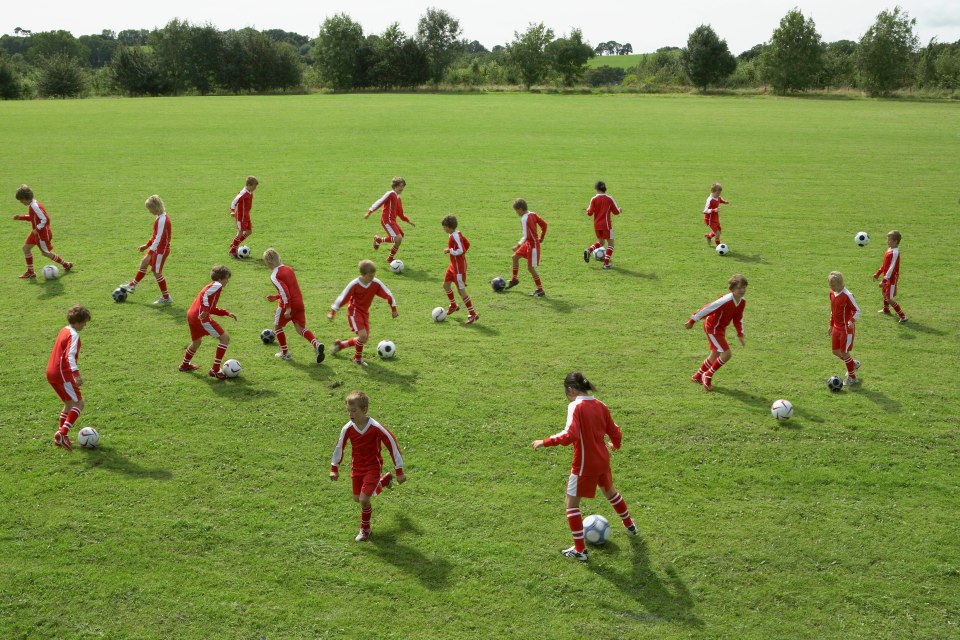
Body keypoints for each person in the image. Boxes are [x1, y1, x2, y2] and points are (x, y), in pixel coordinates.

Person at [531, 372, 637, 562]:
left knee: (571, 504)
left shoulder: (576, 406)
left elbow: (569, 435)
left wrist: (544, 441)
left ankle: (580, 550)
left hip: (584, 463)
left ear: (571, 389)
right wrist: (616, 444)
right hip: (603, 460)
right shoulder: (601, 405)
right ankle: (630, 524)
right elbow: (614, 430)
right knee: (610, 492)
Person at [330, 390, 406, 542]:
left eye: (354, 411)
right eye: (348, 411)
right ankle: (383, 482)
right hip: (356, 468)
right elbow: (339, 447)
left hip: (373, 467)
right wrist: (334, 468)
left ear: (364, 410)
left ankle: (365, 529)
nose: (350, 414)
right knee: (357, 499)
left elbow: (392, 444)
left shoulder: (376, 427)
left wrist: (399, 471)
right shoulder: (348, 428)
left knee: (364, 500)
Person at [328, 260, 398, 367]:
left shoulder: (375, 283)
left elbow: (387, 293)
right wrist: (333, 311)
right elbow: (343, 297)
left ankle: (341, 345)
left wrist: (393, 309)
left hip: (364, 313)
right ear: (363, 274)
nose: (372, 277)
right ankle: (357, 358)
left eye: (374, 275)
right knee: (363, 335)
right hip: (354, 311)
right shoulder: (354, 284)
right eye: (370, 276)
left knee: (363, 339)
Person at [685, 274, 748, 392]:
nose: (742, 290)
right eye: (740, 288)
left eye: (744, 287)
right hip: (712, 328)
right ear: (732, 289)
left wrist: (740, 333)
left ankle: (698, 376)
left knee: (715, 354)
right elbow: (708, 308)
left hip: (720, 328)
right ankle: (707, 375)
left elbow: (738, 318)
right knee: (726, 354)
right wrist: (692, 320)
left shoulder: (742, 302)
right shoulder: (725, 300)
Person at [263, 248, 325, 363]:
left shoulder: (274, 275)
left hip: (287, 305)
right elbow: (290, 288)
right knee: (300, 328)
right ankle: (316, 344)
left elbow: (285, 291)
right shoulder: (288, 268)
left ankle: (285, 353)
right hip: (299, 302)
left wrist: (288, 308)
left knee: (277, 326)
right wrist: (276, 297)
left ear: (269, 263)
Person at [180, 265, 237, 379]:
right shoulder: (217, 285)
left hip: (192, 315)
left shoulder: (213, 287)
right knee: (225, 338)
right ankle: (215, 370)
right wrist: (205, 310)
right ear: (220, 279)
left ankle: (185, 365)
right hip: (200, 317)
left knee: (196, 342)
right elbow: (204, 295)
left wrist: (226, 313)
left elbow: (212, 308)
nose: (227, 281)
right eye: (226, 279)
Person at [47, 305, 91, 450]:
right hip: (63, 374)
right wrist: (76, 375)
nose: (85, 325)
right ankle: (62, 433)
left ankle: (61, 438)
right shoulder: (74, 335)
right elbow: (70, 356)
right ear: (79, 322)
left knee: (68, 402)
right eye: (84, 322)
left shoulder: (64, 330)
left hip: (51, 372)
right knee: (79, 403)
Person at [12, 184, 73, 279]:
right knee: (26, 248)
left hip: (42, 234)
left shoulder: (35, 206)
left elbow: (45, 218)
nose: (21, 202)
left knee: (46, 253)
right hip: (36, 233)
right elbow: (34, 218)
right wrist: (21, 217)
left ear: (25, 198)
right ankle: (30, 272)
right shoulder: (32, 204)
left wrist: (38, 228)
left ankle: (66, 264)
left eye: (21, 200)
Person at [121, 195, 172, 305]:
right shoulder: (159, 217)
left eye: (150, 209)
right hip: (157, 248)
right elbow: (155, 235)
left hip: (161, 251)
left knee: (156, 272)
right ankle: (132, 285)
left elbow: (158, 239)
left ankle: (166, 297)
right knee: (143, 263)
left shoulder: (163, 220)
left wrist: (150, 252)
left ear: (156, 208)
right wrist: (146, 245)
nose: (149, 212)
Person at [366, 177, 414, 266]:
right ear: (395, 186)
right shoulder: (390, 194)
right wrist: (370, 211)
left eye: (403, 186)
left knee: (401, 236)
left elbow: (400, 213)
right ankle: (379, 240)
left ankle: (389, 257)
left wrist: (408, 221)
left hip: (392, 221)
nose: (402, 188)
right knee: (398, 238)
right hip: (386, 220)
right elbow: (380, 201)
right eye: (400, 186)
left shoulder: (398, 198)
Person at [505, 198, 548, 297]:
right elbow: (544, 225)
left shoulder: (524, 218)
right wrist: (542, 237)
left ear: (520, 209)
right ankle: (514, 280)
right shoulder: (532, 214)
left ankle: (540, 289)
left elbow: (525, 235)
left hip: (532, 245)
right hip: (529, 243)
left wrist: (518, 245)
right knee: (515, 257)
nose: (516, 213)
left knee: (530, 268)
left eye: (516, 211)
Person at [441, 215, 479, 324]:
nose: (443, 229)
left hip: (458, 269)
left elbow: (461, 250)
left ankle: (473, 314)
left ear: (449, 227)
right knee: (446, 285)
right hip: (453, 265)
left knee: (461, 291)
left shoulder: (455, 236)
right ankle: (453, 305)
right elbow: (467, 244)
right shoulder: (455, 234)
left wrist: (450, 250)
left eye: (444, 227)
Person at [828, 271, 861, 386]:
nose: (832, 287)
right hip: (836, 327)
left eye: (834, 285)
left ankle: (852, 377)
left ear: (841, 284)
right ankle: (853, 364)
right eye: (830, 285)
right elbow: (833, 309)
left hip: (846, 329)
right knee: (835, 351)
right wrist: (831, 325)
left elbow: (857, 310)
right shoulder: (832, 293)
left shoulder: (848, 295)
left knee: (844, 352)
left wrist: (851, 321)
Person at [583, 181, 621, 269]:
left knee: (601, 242)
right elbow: (616, 212)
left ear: (596, 189)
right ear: (604, 189)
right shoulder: (609, 198)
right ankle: (606, 264)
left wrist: (587, 210)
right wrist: (620, 210)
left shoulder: (593, 199)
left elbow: (590, 213)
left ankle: (589, 251)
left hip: (597, 225)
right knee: (611, 244)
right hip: (607, 225)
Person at [873, 230, 908, 323]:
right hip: (887, 276)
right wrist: (878, 273)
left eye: (889, 240)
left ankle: (903, 316)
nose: (887, 241)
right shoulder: (889, 250)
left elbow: (891, 268)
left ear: (895, 241)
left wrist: (884, 280)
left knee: (890, 298)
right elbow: (884, 265)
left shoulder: (895, 253)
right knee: (884, 293)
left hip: (892, 278)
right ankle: (886, 309)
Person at [228, 176, 258, 258]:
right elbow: (234, 202)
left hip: (246, 215)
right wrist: (232, 211)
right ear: (249, 185)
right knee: (240, 232)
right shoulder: (243, 193)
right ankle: (233, 251)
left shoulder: (249, 192)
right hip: (241, 216)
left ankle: (235, 244)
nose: (255, 188)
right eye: (254, 186)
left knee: (249, 231)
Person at [702, 182, 729, 247]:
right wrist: (714, 210)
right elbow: (705, 211)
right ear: (713, 192)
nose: (719, 194)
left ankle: (708, 236)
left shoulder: (717, 196)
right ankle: (719, 247)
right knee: (717, 234)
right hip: (709, 219)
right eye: (718, 193)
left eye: (720, 193)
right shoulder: (710, 200)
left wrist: (724, 202)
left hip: (715, 218)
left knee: (719, 231)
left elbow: (719, 199)